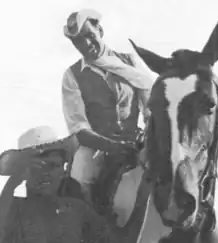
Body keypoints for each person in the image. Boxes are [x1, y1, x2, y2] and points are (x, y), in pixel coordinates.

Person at [62, 9, 153, 204]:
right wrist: (113, 146)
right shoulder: (72, 76)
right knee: (80, 175)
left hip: (135, 140)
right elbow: (79, 129)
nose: (85, 44)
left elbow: (150, 108)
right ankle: (84, 227)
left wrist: (147, 133)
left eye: (89, 35)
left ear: (100, 30)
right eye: (78, 40)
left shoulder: (131, 62)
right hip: (96, 148)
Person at [1, 126, 107, 243]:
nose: (45, 173)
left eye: (53, 165)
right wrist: (11, 186)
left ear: (63, 170)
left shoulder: (77, 209)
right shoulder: (13, 208)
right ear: (23, 173)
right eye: (37, 167)